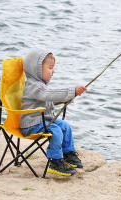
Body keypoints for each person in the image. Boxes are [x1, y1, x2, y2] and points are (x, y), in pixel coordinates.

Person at [20, 47, 87, 176]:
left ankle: (68, 154)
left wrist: (66, 98)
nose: (53, 71)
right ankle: (55, 161)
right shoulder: (34, 86)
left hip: (43, 122)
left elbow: (47, 99)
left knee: (65, 126)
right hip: (31, 125)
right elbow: (46, 94)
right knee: (56, 130)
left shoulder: (41, 86)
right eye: (50, 68)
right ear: (37, 69)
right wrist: (71, 90)